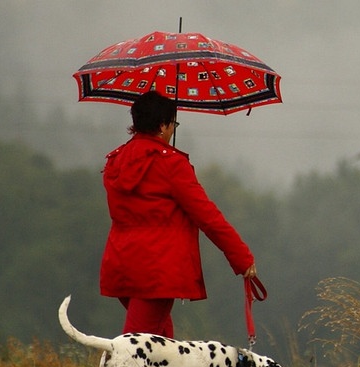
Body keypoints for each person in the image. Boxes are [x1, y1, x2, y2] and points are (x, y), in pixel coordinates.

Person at [99, 91, 257, 338]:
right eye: (174, 123)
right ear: (163, 125)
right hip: (157, 272)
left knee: (161, 348)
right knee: (137, 348)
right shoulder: (170, 164)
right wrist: (241, 257)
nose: (173, 129)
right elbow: (207, 216)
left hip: (122, 265)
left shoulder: (116, 160)